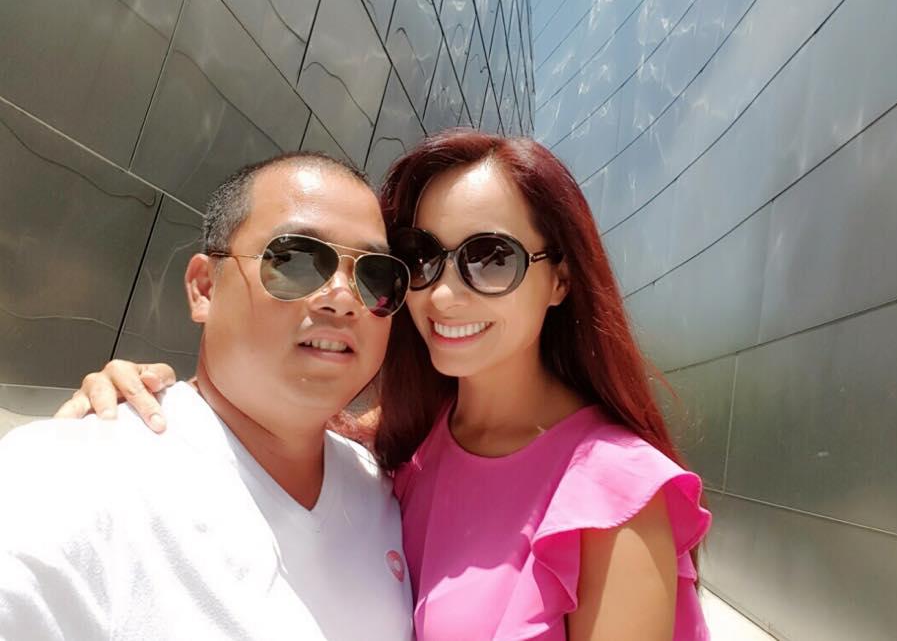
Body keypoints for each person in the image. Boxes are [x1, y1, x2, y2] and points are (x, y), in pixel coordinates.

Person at [59, 131, 712, 640]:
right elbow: (254, 418)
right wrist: (149, 394)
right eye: (421, 259)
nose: (444, 294)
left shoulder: (617, 495)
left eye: (490, 258)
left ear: (561, 279)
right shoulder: (401, 447)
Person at [0, 153, 415, 639]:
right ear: (204, 288)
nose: (342, 298)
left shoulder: (388, 493)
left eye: (375, 276)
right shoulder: (65, 479)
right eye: (297, 260)